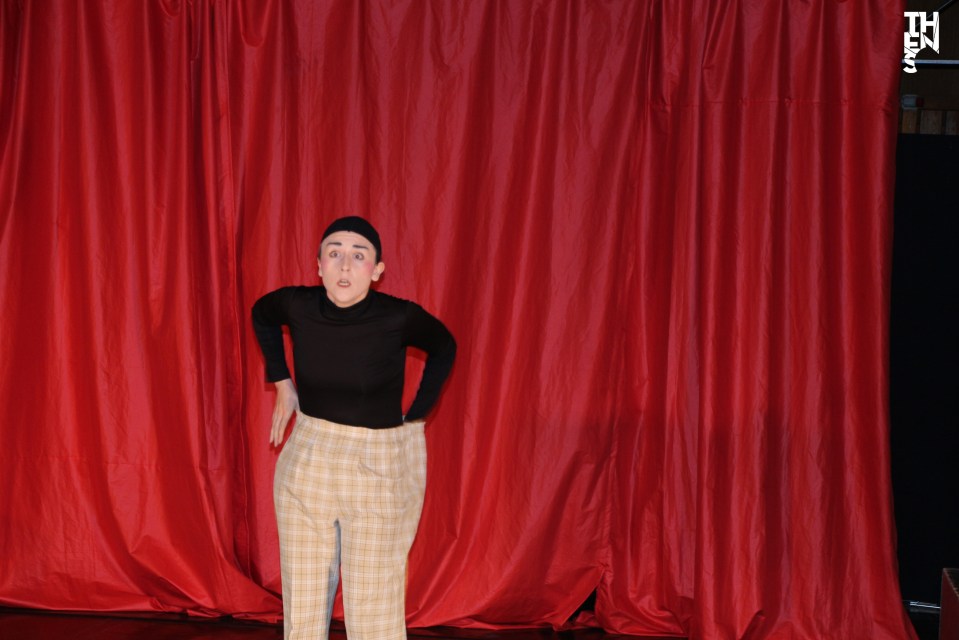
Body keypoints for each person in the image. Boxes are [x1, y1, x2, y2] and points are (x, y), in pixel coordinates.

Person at [251, 216, 456, 640]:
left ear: (377, 270)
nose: (345, 264)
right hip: (308, 456)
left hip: (376, 465)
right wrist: (282, 381)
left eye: (359, 256)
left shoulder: (398, 316)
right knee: (303, 597)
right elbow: (262, 313)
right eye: (335, 253)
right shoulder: (297, 304)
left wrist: (418, 414)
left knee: (373, 601)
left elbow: (444, 345)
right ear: (319, 265)